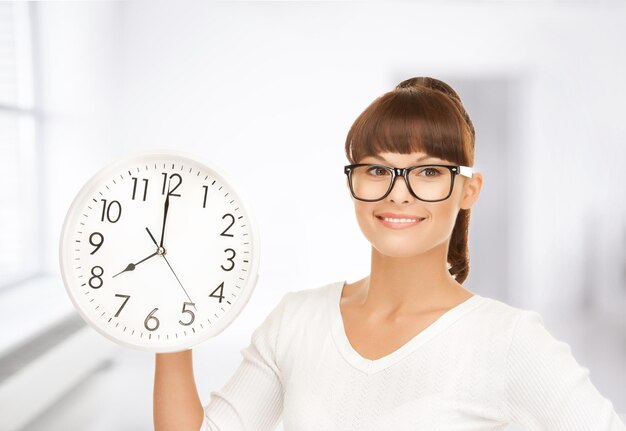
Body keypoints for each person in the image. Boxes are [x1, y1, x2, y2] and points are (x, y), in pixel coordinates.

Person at [153, 77, 626, 430]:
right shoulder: (296, 321)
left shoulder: (508, 340)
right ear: (352, 183)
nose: (398, 194)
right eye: (377, 171)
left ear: (468, 190)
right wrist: (173, 320)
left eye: (427, 173)